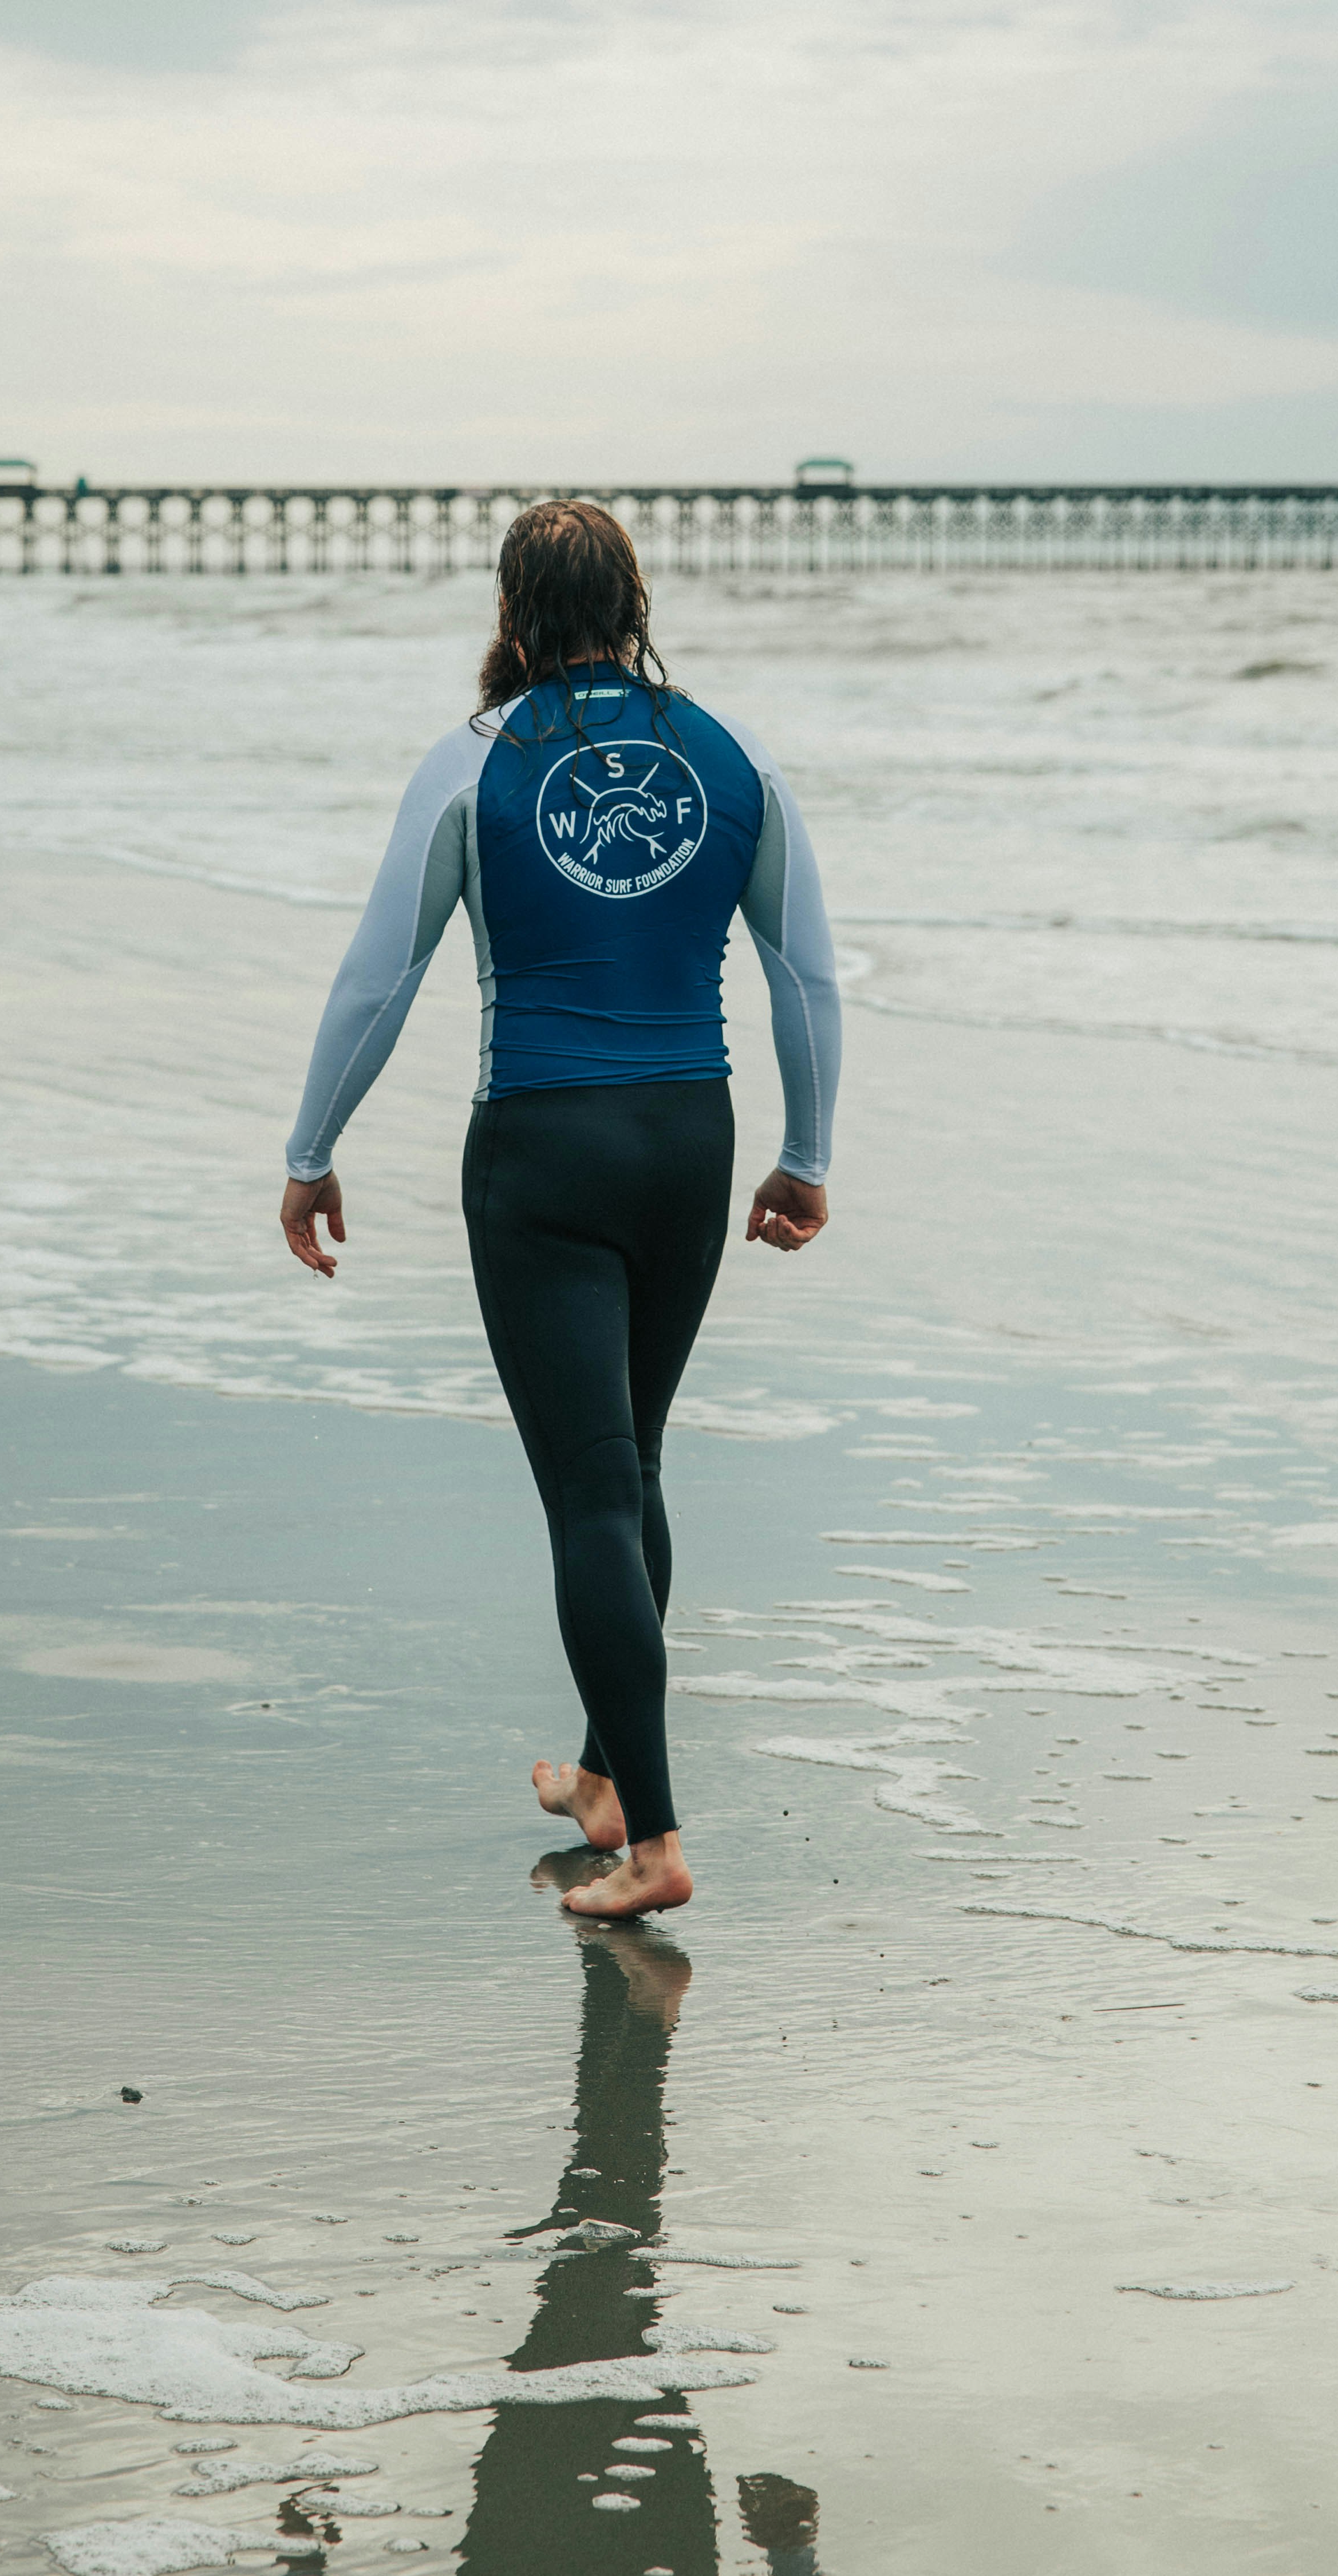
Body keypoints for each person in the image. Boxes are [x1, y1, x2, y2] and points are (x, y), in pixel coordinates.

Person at [280, 501, 840, 1918]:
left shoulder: (477, 760)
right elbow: (804, 974)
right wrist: (806, 1152)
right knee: (631, 1465)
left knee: (592, 1490)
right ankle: (601, 1778)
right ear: (636, 601)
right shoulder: (734, 753)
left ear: (514, 613)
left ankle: (650, 1842)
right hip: (687, 1146)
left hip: (541, 1153)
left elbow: (379, 976)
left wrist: (310, 1146)